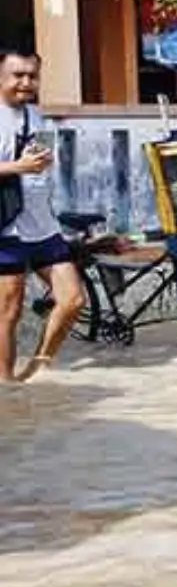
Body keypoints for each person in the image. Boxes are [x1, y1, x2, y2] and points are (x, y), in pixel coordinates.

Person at [0, 50, 85, 382]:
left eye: (32, 76)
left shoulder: (35, 117)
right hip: (6, 226)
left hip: (42, 224)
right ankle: (6, 387)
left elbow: (39, 168)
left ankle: (38, 365)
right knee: (9, 311)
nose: (26, 83)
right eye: (17, 75)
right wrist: (17, 168)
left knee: (73, 299)